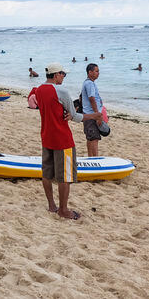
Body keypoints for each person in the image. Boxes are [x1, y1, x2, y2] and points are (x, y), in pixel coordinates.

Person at [35, 63, 102, 220]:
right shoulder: (62, 91)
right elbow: (75, 116)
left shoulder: (39, 90)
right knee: (65, 176)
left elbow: (50, 108)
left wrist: (66, 113)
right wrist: (94, 115)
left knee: (47, 173)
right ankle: (63, 210)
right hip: (62, 138)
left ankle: (52, 205)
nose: (64, 77)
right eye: (63, 74)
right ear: (56, 74)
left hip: (46, 135)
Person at [80, 63, 106, 157]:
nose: (98, 73)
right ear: (90, 72)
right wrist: (97, 114)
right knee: (94, 138)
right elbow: (92, 98)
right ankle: (95, 159)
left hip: (88, 114)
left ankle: (90, 157)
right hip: (91, 115)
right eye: (96, 71)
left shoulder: (88, 83)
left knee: (90, 138)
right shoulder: (89, 83)